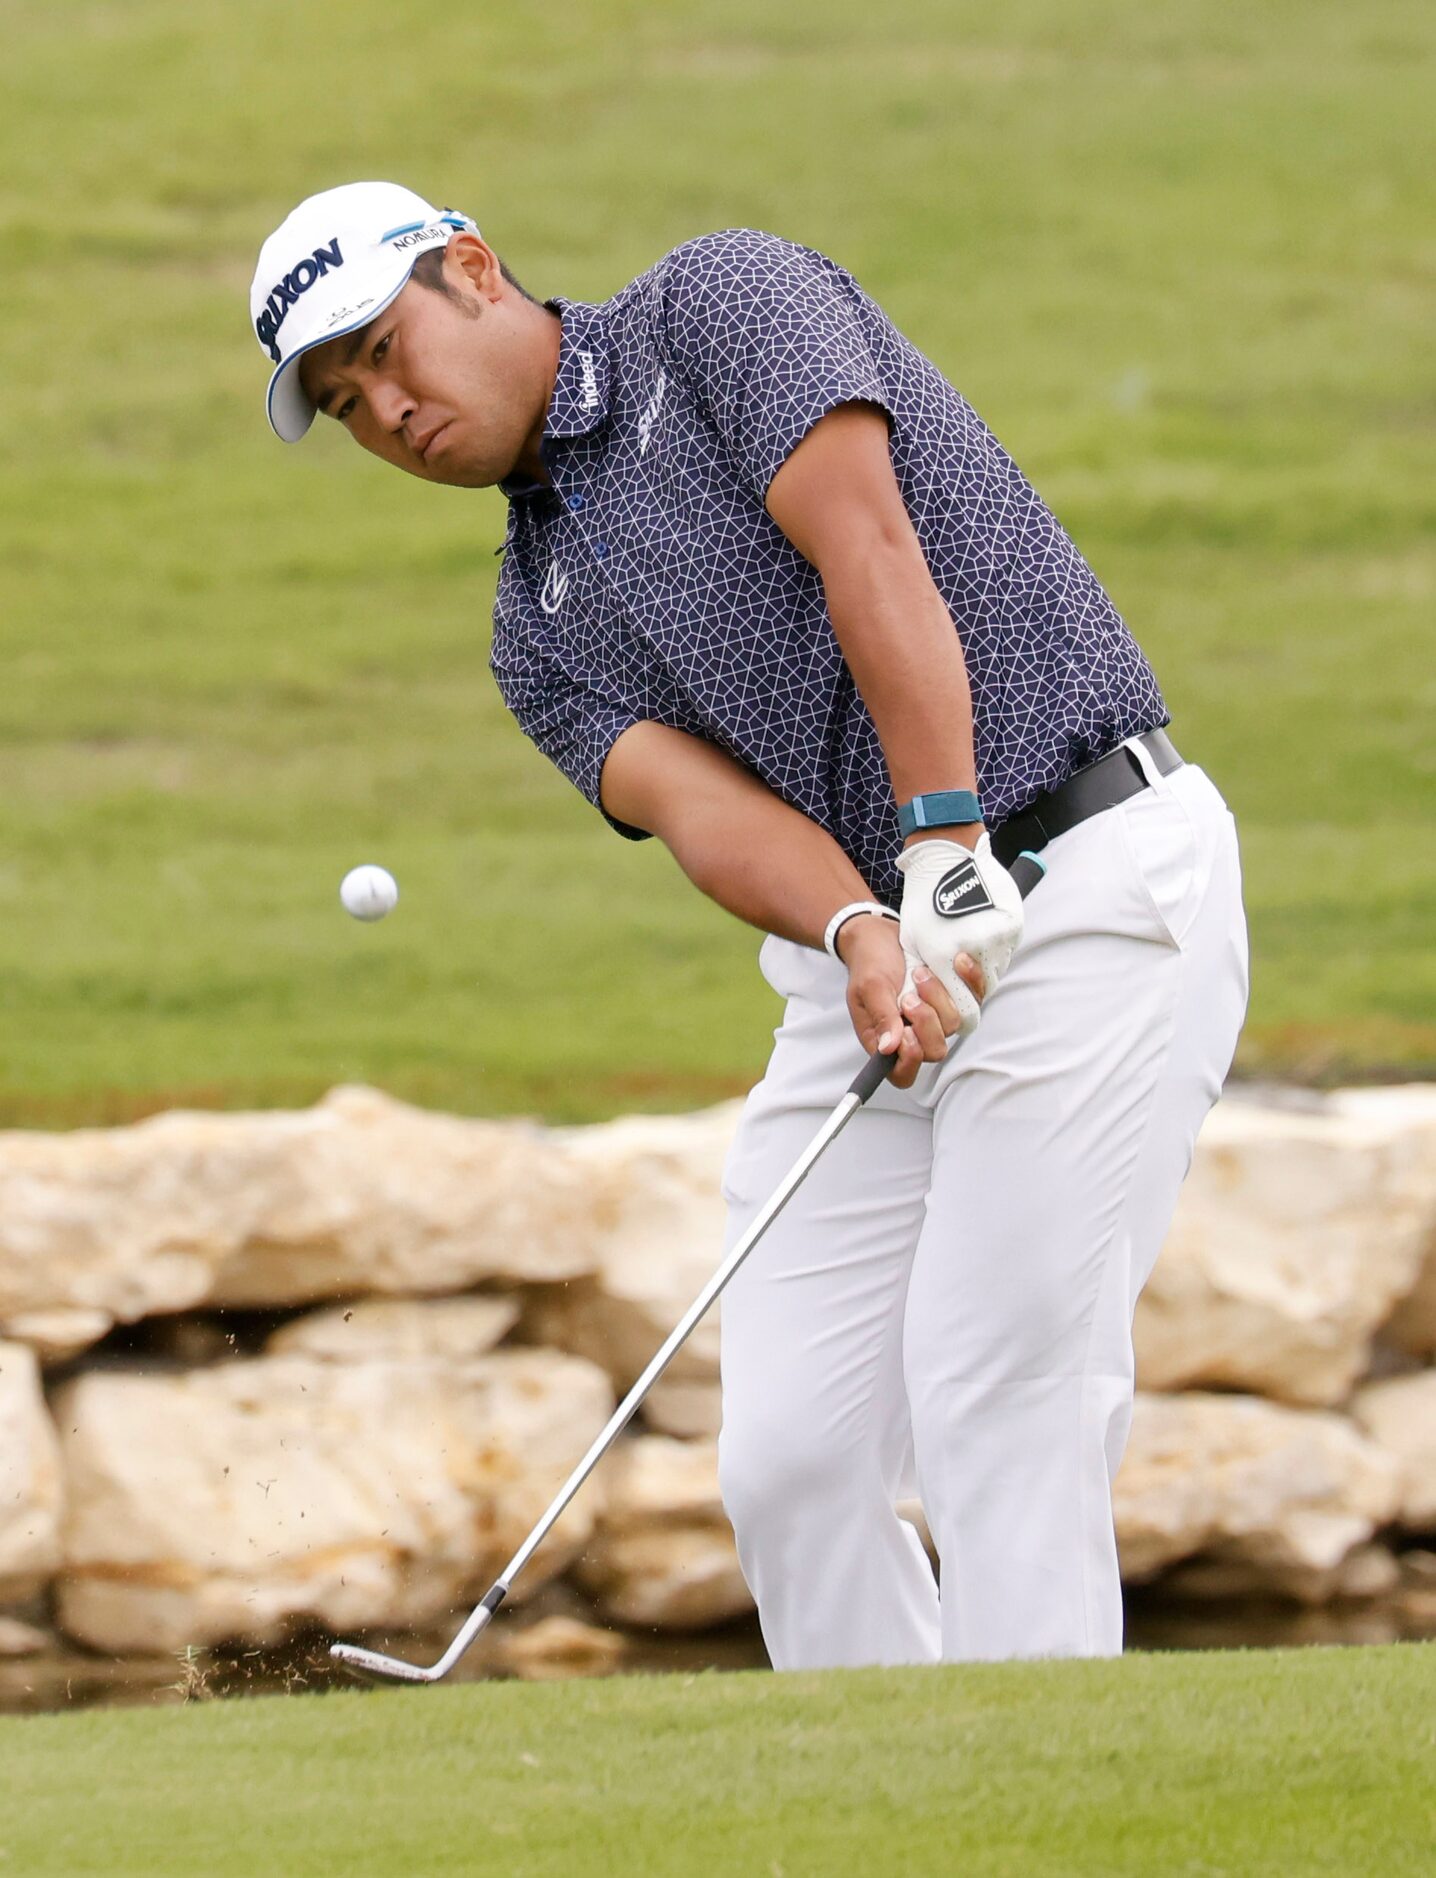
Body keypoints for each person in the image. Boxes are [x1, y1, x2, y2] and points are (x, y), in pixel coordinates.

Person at [250, 180, 1248, 1669]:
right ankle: (883, 1811)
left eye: (385, 352)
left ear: (472, 271)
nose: (386, 413)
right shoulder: (533, 630)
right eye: (344, 404)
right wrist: (857, 926)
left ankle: (1038, 1803)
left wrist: (946, 839)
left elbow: (870, 548)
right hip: (882, 951)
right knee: (790, 1462)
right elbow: (706, 812)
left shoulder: (716, 310)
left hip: (1082, 868)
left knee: (996, 1398)